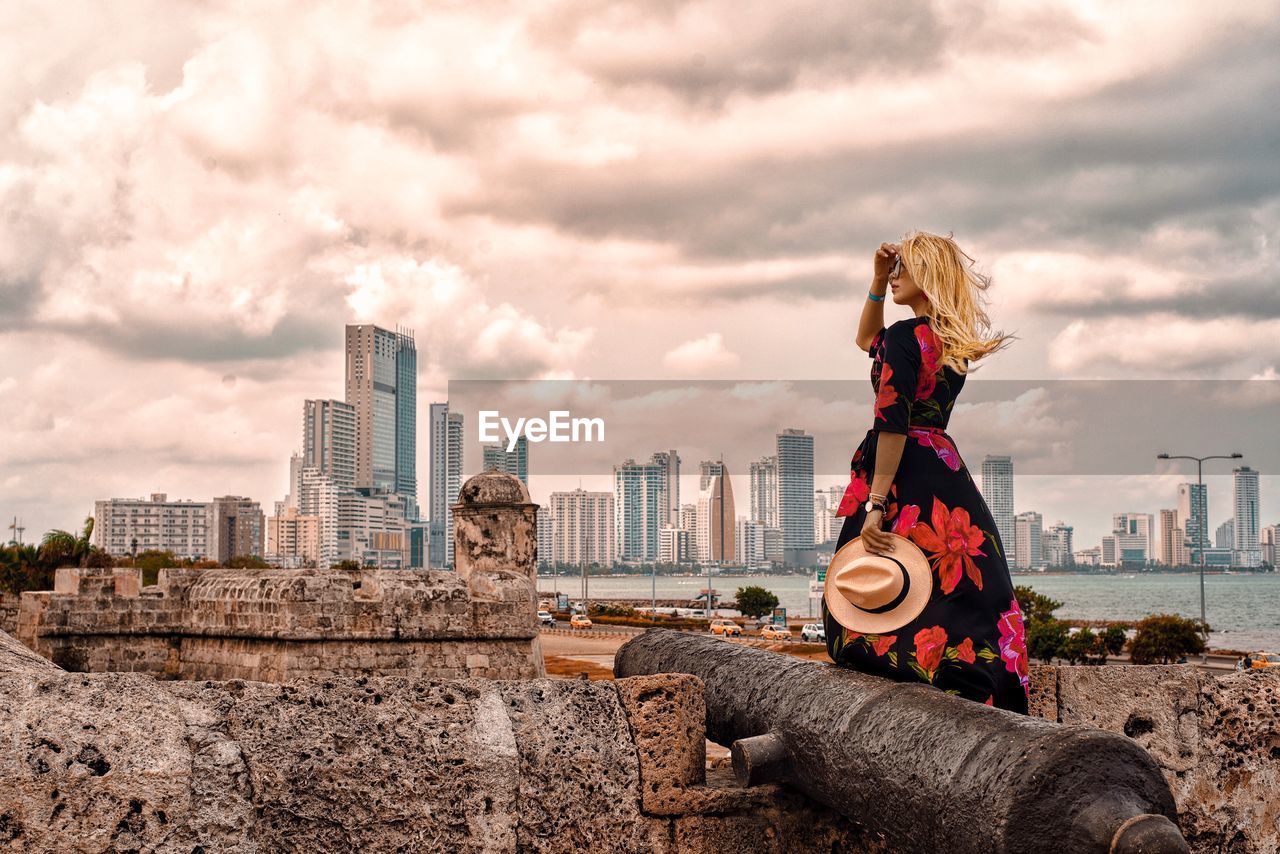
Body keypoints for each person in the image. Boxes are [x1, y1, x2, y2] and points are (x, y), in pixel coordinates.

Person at [823, 231, 1030, 714]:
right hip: (943, 464)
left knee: (868, 580)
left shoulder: (902, 337)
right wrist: (876, 281)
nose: (895, 279)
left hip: (903, 469)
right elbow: (863, 340)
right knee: (959, 585)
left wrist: (876, 503)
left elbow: (891, 421)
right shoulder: (945, 341)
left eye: (902, 271)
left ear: (928, 276)